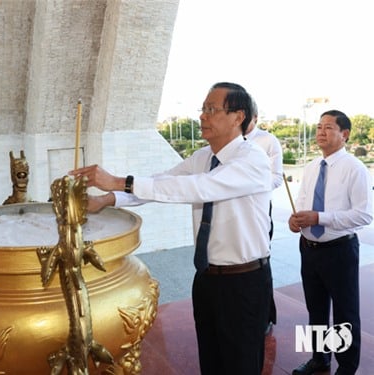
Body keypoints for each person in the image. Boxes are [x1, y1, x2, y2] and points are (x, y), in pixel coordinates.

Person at [70, 82, 273, 374]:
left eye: (212, 110)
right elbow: (161, 183)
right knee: (212, 361)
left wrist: (118, 181)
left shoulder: (252, 159)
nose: (203, 117)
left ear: (238, 117)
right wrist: (107, 199)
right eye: (203, 110)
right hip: (206, 278)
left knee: (241, 365)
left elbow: (200, 187)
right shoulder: (203, 158)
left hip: (244, 282)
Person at [288, 110, 372, 375]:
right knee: (316, 309)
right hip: (309, 249)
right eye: (318, 127)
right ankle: (319, 358)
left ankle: (346, 368)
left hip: (339, 250)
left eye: (328, 127)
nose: (321, 132)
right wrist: (297, 220)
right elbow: (303, 203)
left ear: (344, 134)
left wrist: (319, 217)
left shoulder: (354, 168)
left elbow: (364, 214)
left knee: (345, 314)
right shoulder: (312, 166)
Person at [246, 98, 284, 334]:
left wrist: (247, 187)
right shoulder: (229, 141)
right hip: (232, 210)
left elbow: (277, 177)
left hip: (259, 208)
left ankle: (266, 316)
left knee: (260, 261)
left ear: (255, 118)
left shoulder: (268, 141)